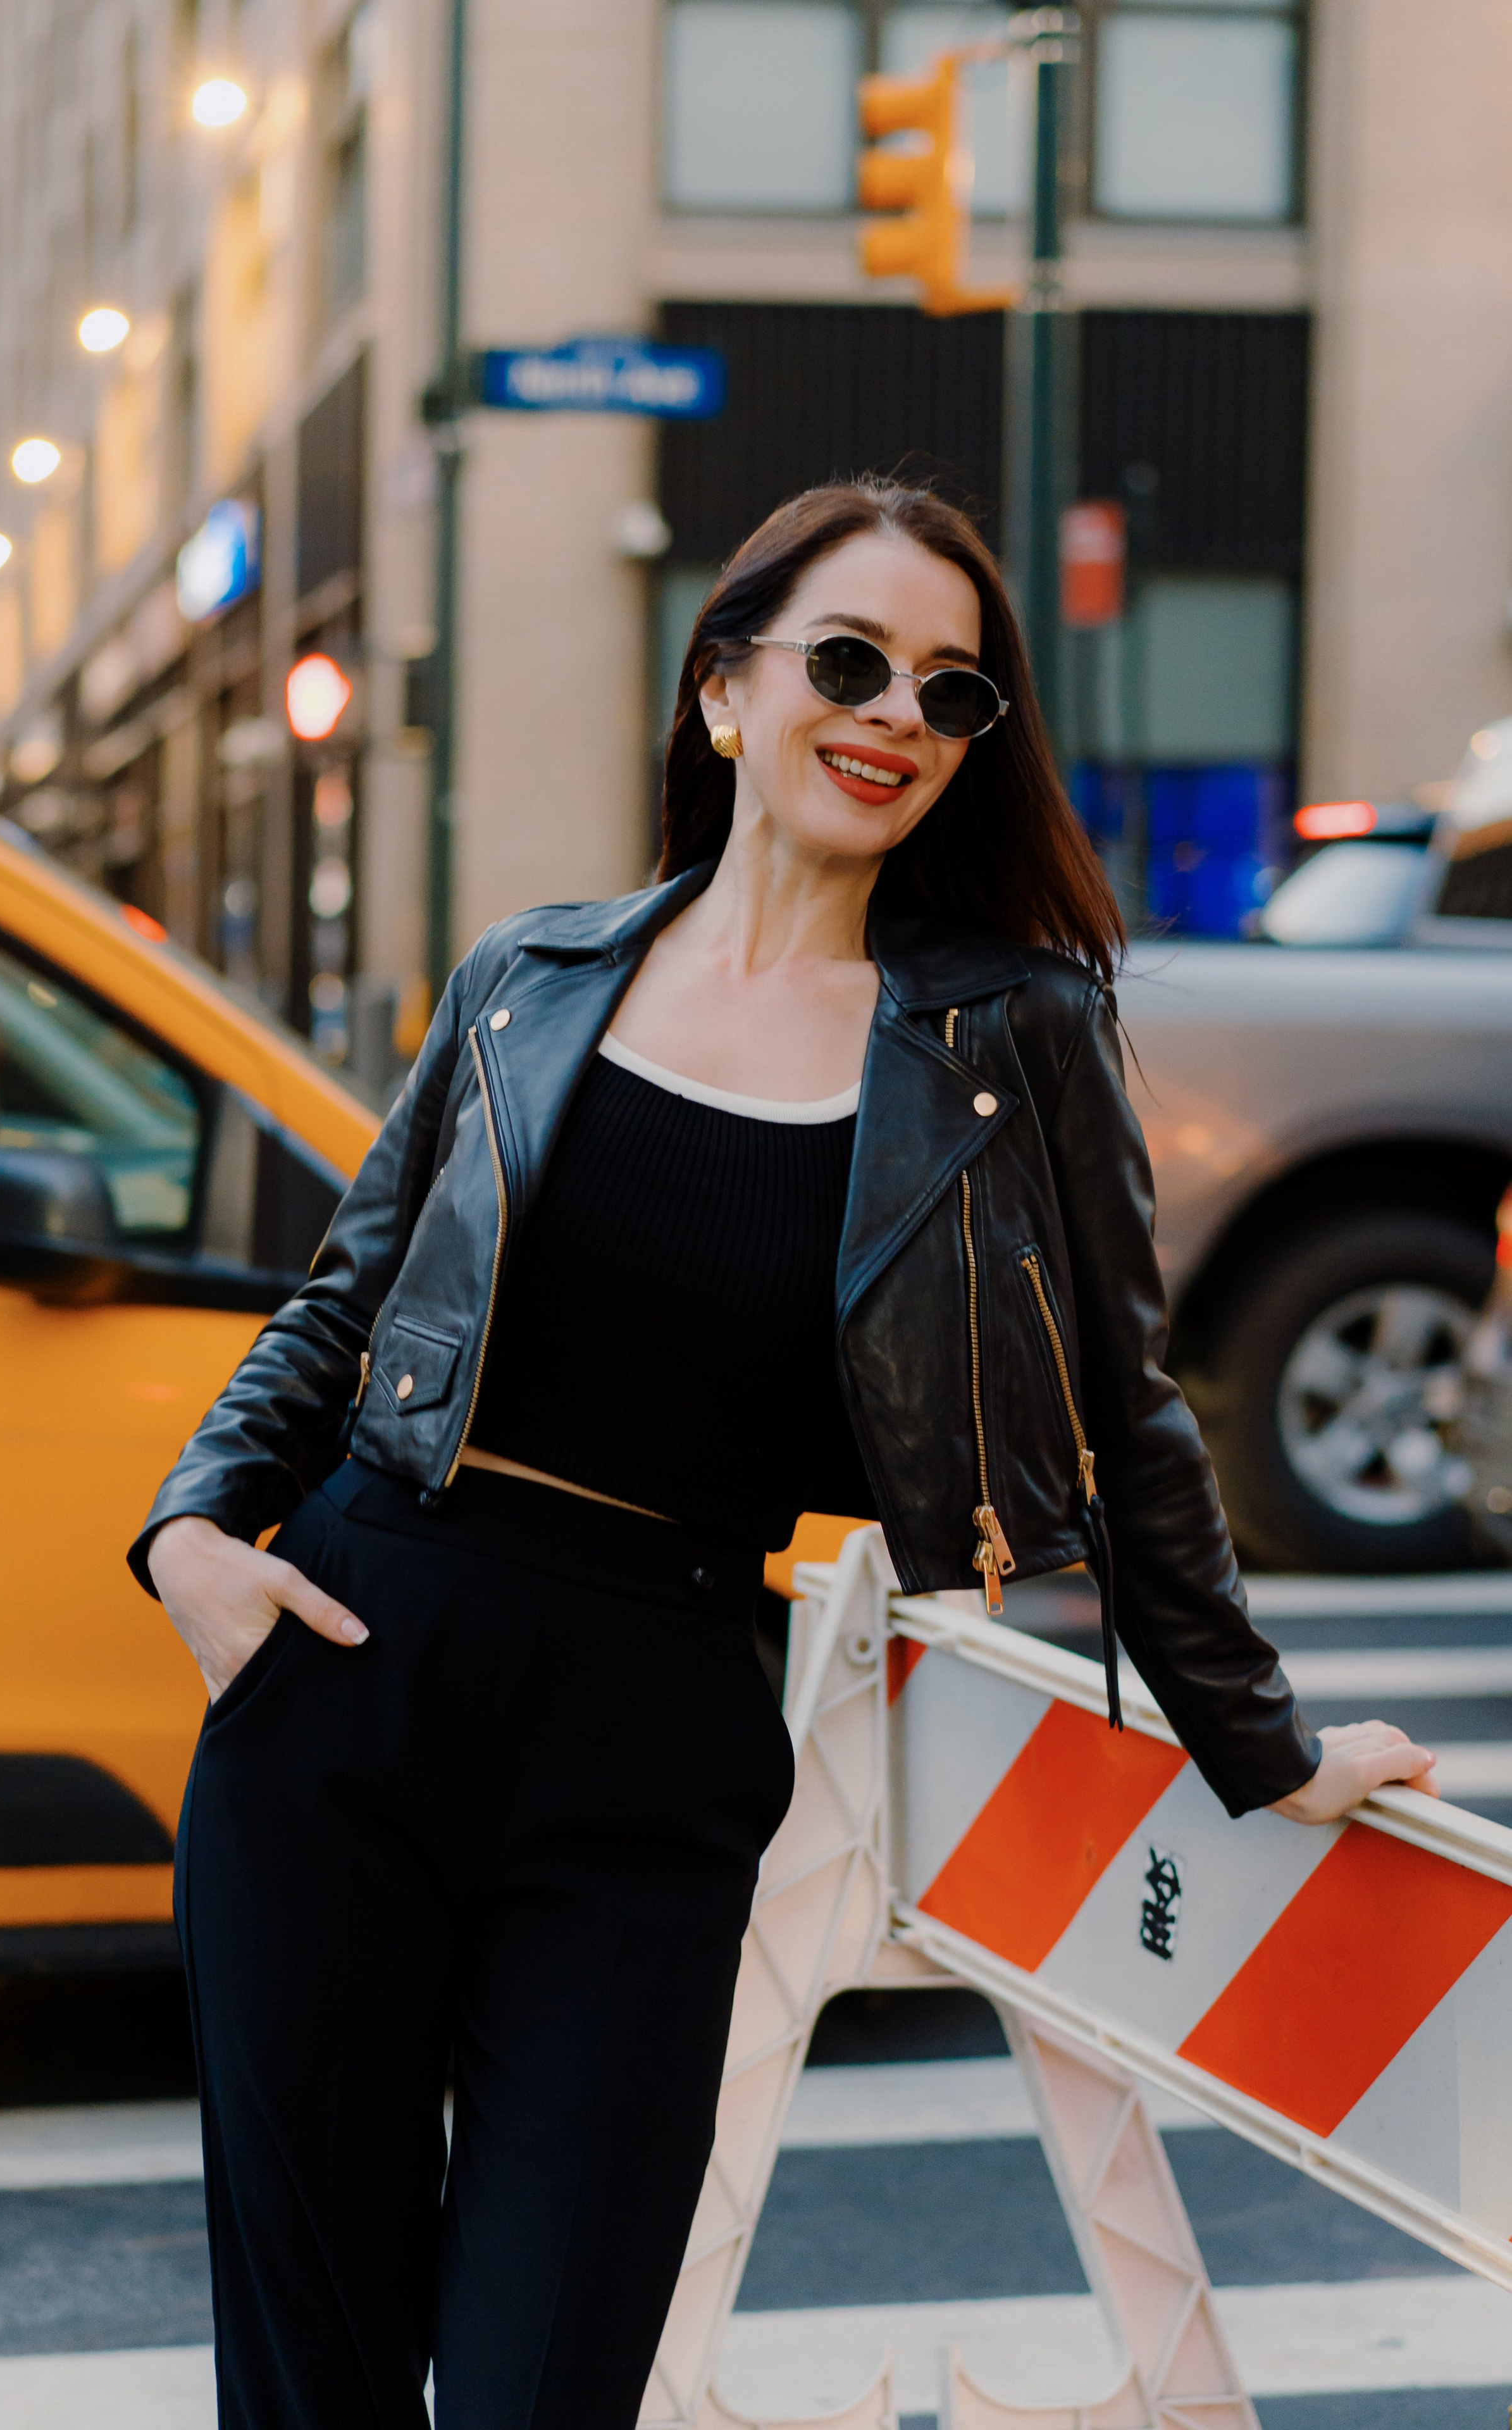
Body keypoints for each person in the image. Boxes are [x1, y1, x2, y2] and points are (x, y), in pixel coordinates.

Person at [133, 478, 1437, 2430]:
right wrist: (189, 1533)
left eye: (952, 691)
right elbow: (347, 1305)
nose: (897, 712)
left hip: (651, 1728)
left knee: (541, 2384)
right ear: (725, 687)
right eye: (849, 660)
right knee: (308, 2391)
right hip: (353, 1676)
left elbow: (1134, 1408)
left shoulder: (1013, 1036)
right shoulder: (530, 980)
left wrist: (1264, 1746)